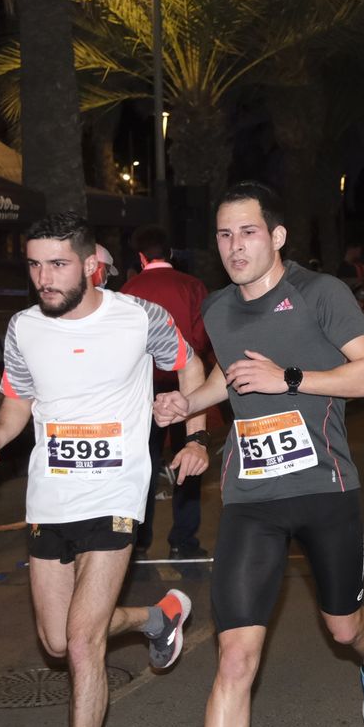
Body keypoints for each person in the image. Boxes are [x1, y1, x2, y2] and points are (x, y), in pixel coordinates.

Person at [151, 182, 364, 727]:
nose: (235, 247)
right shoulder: (216, 308)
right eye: (224, 235)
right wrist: (189, 412)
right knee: (235, 657)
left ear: (277, 236)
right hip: (251, 499)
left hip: (324, 488)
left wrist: (288, 379)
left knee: (345, 627)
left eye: (248, 232)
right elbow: (229, 380)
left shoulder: (321, 294)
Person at [0, 212, 199, 727]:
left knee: (80, 639)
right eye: (34, 265)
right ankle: (156, 617)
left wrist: (194, 431)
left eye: (57, 264)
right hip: (51, 497)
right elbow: (18, 401)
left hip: (117, 490)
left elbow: (190, 364)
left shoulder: (139, 317)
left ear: (90, 265)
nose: (43, 277)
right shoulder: (23, 328)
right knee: (55, 639)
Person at [120, 225, 212, 561]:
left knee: (143, 464)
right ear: (170, 253)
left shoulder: (128, 290)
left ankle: (139, 543)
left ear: (141, 257)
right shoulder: (194, 286)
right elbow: (201, 339)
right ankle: (183, 541)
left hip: (144, 392)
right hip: (187, 389)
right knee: (188, 459)